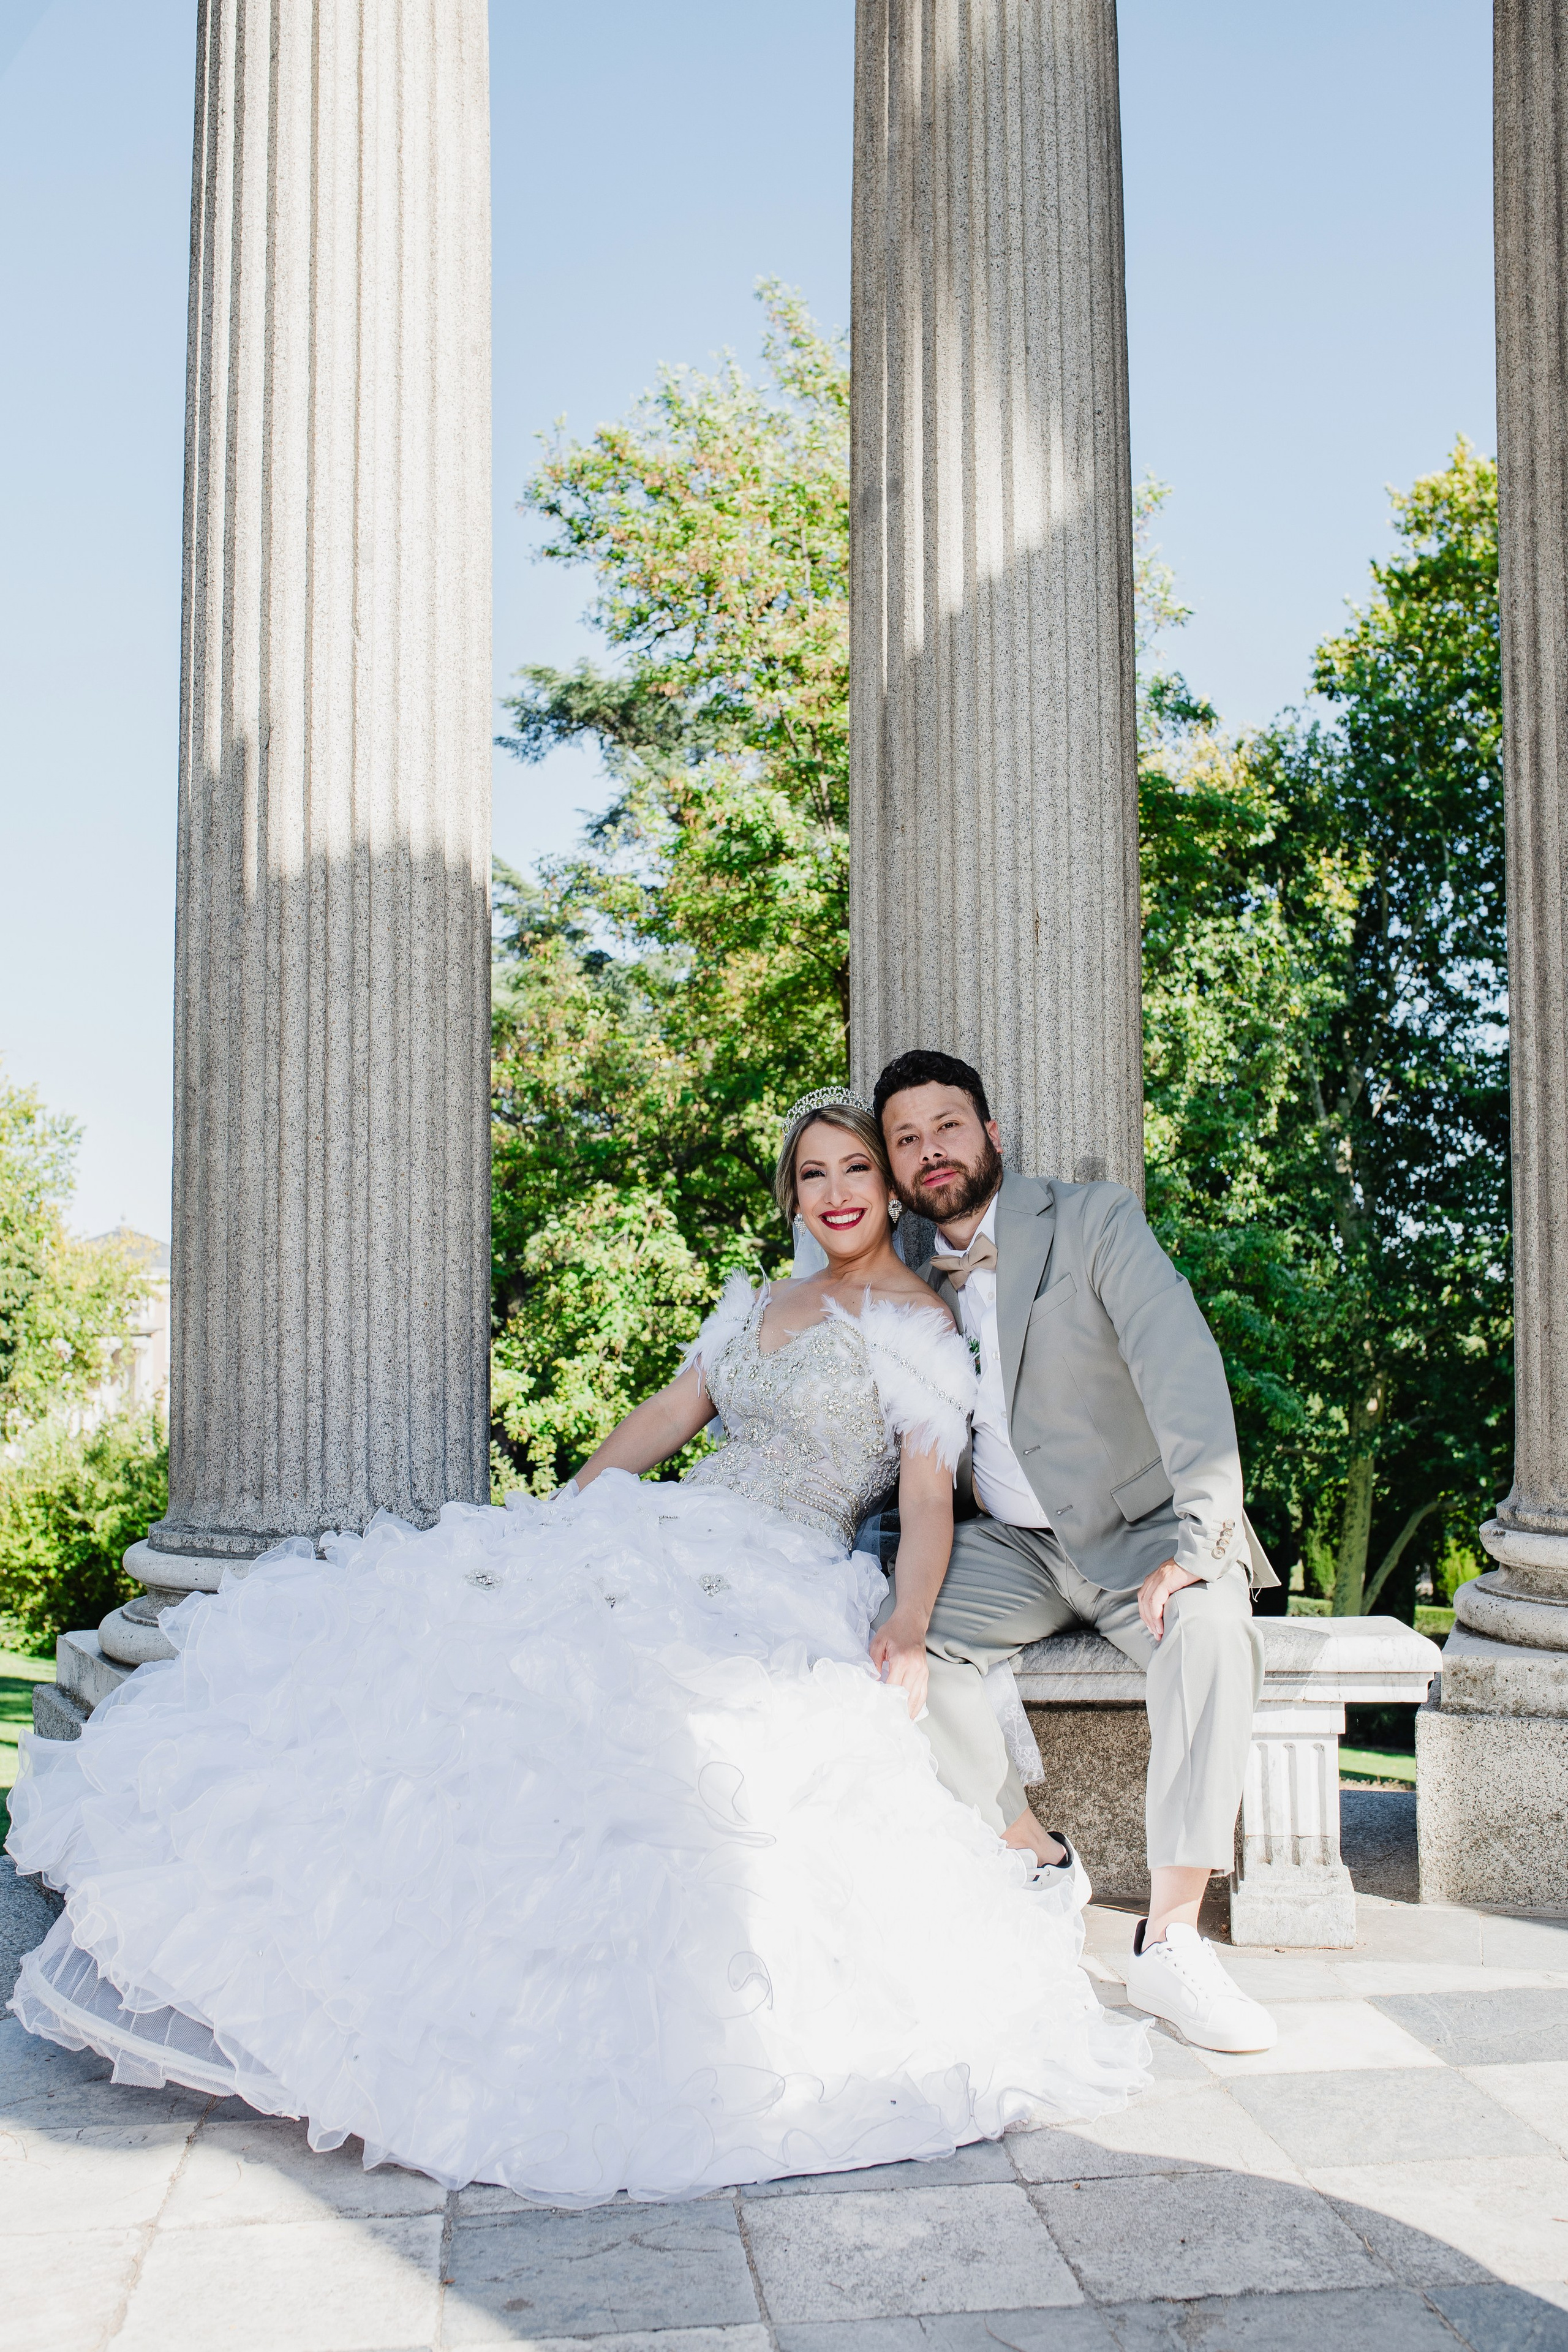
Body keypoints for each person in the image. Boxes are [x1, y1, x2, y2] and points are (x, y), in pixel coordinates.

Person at [7, 1089, 1148, 2204]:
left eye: (858, 1168)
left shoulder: (918, 1322)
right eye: (814, 1173)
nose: (838, 1191)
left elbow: (930, 1497)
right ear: (792, 1195)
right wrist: (575, 1511)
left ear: (890, 1185)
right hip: (676, 1526)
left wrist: (906, 1628)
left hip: (787, 1563)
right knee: (493, 1648)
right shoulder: (759, 1305)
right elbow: (666, 1418)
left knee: (654, 1714)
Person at [871, 1049, 1280, 2056]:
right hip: (1012, 1548)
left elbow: (1182, 1368)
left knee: (1216, 1628)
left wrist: (1201, 1540)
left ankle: (1172, 1937)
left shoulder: (1094, 1220)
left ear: (992, 1135)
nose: (933, 1151)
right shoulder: (913, 1287)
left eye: (948, 1127)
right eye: (908, 1139)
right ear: (893, 1167)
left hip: (1142, 1537)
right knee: (888, 1643)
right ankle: (1041, 1857)